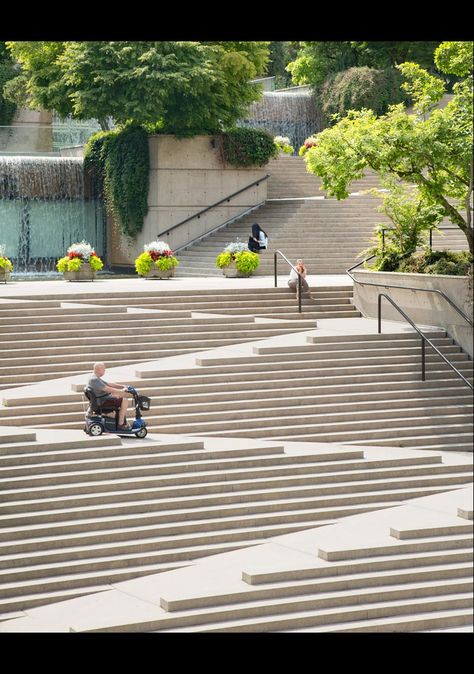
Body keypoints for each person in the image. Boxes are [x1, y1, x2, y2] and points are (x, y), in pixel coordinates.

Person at [87, 362, 132, 430]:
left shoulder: (94, 377)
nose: (105, 371)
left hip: (101, 399)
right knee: (124, 400)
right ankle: (121, 424)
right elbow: (108, 389)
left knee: (118, 396)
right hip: (102, 401)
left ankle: (120, 421)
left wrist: (123, 386)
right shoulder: (94, 380)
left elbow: (108, 384)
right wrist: (121, 391)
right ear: (99, 370)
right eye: (104, 369)